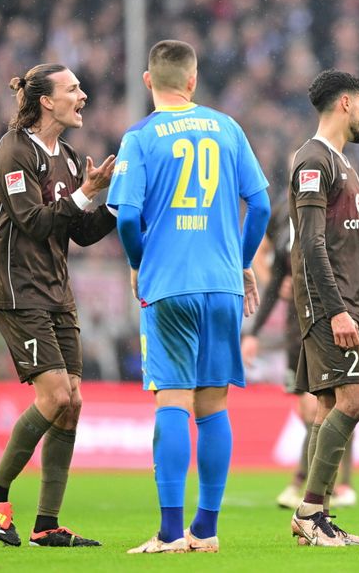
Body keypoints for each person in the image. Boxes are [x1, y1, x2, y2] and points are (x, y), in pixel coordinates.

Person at [107, 40, 271, 554]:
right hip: (222, 285)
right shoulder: (227, 127)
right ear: (194, 81)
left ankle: (171, 532)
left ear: (147, 81)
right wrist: (241, 264)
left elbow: (128, 218)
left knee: (172, 400)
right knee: (214, 405)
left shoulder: (140, 138)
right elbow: (261, 206)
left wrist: (139, 264)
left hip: (171, 284)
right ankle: (206, 529)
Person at [0, 63, 117, 547]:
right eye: (73, 88)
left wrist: (117, 205)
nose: (83, 95)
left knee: (72, 405)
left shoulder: (73, 158)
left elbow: (78, 230)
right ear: (46, 101)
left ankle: (46, 524)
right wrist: (85, 193)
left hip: (57, 292)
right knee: (55, 397)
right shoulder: (14, 150)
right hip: (18, 289)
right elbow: (34, 222)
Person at [287, 69, 359, 547]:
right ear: (346, 103)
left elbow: (358, 251)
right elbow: (310, 245)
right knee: (356, 401)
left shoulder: (343, 165)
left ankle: (321, 517)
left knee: (328, 406)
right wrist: (336, 311)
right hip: (328, 306)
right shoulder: (311, 160)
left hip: (350, 303)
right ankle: (309, 512)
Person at [243, 198, 359, 510]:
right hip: (300, 327)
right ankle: (318, 495)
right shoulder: (288, 223)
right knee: (322, 407)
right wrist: (254, 332)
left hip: (336, 318)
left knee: (342, 400)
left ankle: (316, 487)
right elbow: (273, 268)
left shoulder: (342, 212)